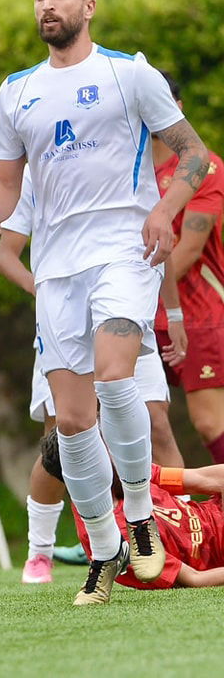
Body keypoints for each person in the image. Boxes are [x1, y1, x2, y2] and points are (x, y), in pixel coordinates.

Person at [0, 0, 209, 605]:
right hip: (56, 269)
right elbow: (6, 180)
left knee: (115, 376)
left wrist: (162, 209)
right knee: (71, 424)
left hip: (122, 250)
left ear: (89, 6)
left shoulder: (130, 75)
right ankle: (104, 549)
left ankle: (139, 513)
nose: (47, 4)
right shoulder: (15, 91)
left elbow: (195, 153)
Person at [0, 166, 186, 584]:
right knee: (61, 438)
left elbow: (160, 243)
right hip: (63, 315)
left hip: (124, 313)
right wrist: (46, 292)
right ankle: (53, 552)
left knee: (156, 424)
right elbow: (5, 252)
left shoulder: (127, 158)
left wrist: (172, 314)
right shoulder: (37, 167)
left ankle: (167, 529)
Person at [42, 427, 224, 591]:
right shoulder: (115, 541)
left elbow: (204, 478)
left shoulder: (132, 473)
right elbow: (195, 579)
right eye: (102, 446)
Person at [151, 71, 224, 465]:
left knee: (209, 423)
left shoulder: (204, 167)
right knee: (148, 421)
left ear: (177, 109)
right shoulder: (127, 171)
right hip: (144, 315)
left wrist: (137, 290)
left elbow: (190, 249)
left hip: (201, 312)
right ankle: (172, 520)